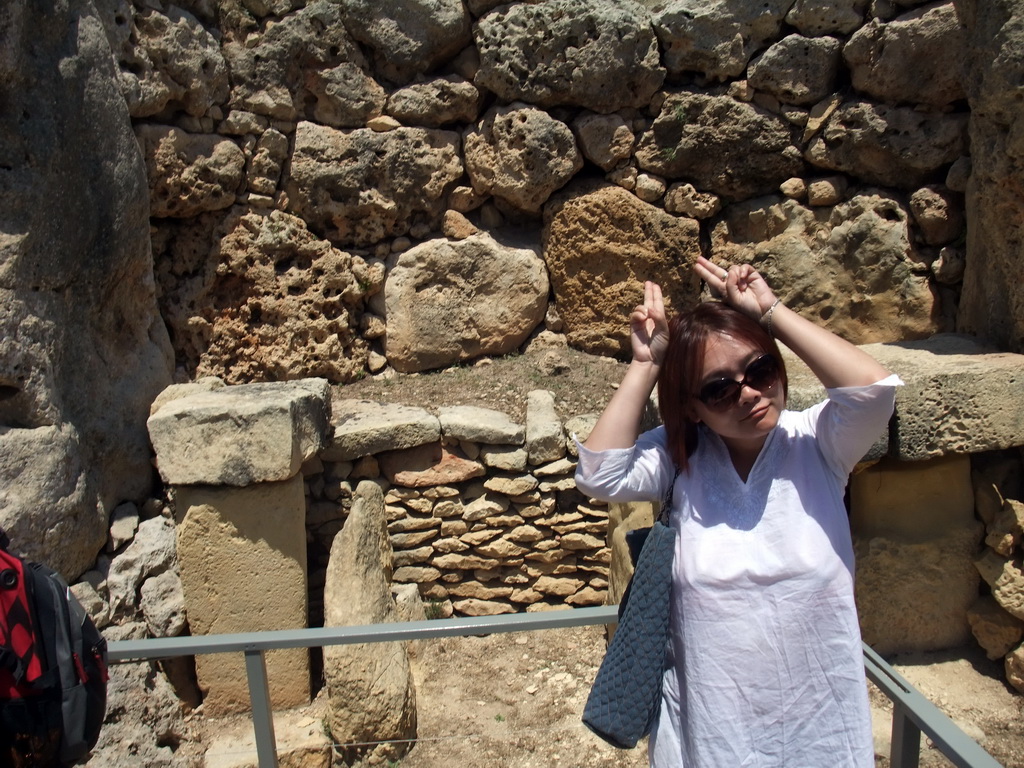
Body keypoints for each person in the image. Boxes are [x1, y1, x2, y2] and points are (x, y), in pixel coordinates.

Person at [575, 256, 902, 767]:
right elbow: (601, 475)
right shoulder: (681, 457)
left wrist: (771, 312)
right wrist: (646, 364)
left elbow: (873, 392)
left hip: (819, 726)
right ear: (692, 407)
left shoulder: (816, 442)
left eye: (761, 370)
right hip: (713, 731)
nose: (749, 394)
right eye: (720, 389)